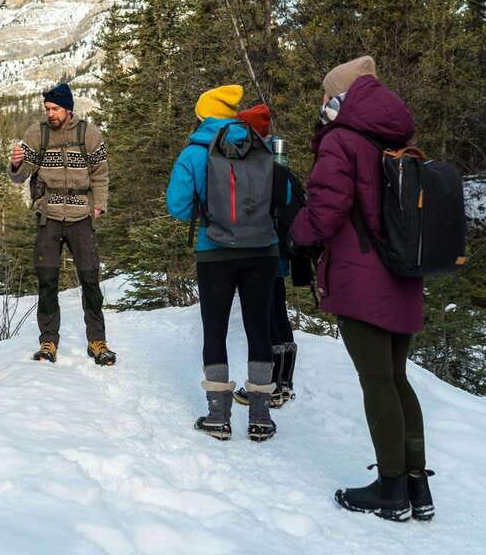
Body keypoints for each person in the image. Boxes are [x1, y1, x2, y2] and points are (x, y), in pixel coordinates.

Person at [289, 56, 433, 522]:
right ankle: (416, 487)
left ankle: (390, 489)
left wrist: (297, 234)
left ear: (342, 97)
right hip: (404, 274)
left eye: (327, 97)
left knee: (377, 382)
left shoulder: (343, 141)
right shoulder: (398, 140)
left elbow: (327, 209)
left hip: (362, 277)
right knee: (396, 378)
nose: (323, 105)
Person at [166, 85, 279, 442]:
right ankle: (261, 417)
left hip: (214, 251)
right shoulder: (260, 143)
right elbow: (283, 195)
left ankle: (219, 416)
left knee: (214, 329)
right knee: (259, 329)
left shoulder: (195, 150)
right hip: (263, 249)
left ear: (202, 114)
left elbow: (178, 206)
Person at [9, 82, 116, 366]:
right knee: (47, 281)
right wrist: (17, 164)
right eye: (47, 109)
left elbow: (101, 173)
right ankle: (48, 342)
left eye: (55, 109)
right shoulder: (37, 133)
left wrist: (99, 204)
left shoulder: (89, 133)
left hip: (82, 215)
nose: (50, 114)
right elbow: (20, 177)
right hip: (49, 215)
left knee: (90, 281)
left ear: (68, 109)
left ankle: (97, 341)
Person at [231, 103, 298, 409]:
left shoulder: (260, 161)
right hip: (282, 249)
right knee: (277, 314)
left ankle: (269, 387)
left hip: (264, 247)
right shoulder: (278, 159)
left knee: (265, 317)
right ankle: (284, 384)